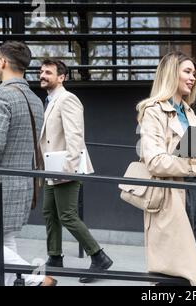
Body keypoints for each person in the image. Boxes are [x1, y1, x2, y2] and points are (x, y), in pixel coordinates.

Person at [0, 41, 56, 286]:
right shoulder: (35, 100)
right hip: (21, 183)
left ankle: (35, 276)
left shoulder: (1, 95)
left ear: (3, 62)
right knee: (6, 241)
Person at [136, 51, 196, 286]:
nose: (192, 78)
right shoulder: (153, 111)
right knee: (175, 273)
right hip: (170, 200)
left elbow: (195, 160)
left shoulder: (191, 114)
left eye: (194, 74)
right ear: (170, 74)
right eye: (187, 72)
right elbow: (155, 161)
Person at [39, 59, 113, 283]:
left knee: (67, 215)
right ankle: (54, 257)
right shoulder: (50, 101)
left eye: (48, 72)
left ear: (61, 77)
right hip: (51, 168)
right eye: (41, 71)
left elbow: (75, 138)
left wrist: (68, 171)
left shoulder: (67, 99)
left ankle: (99, 256)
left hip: (65, 167)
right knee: (49, 212)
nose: (42, 75)